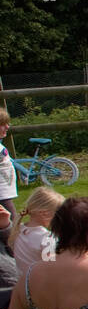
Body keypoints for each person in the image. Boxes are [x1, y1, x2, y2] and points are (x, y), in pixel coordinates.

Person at [0, 187, 64, 309]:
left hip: (23, 288)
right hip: (42, 289)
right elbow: (52, 268)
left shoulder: (19, 230)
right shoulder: (47, 237)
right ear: (44, 213)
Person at [0, 109, 17, 255]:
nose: (7, 127)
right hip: (2, 198)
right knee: (12, 229)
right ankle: (14, 257)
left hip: (6, 195)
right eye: (3, 124)